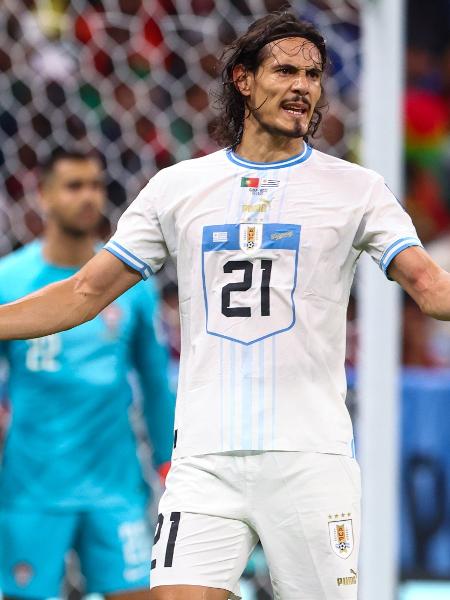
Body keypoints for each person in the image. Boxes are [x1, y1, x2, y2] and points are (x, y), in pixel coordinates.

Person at [1, 11, 450, 600]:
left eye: (313, 74)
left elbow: (428, 285)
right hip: (205, 461)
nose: (302, 86)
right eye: (285, 69)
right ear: (242, 79)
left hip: (308, 460)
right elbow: (85, 291)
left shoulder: (357, 190)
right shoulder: (177, 188)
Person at [0, 150, 174, 600]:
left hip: (114, 487)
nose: (88, 197)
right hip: (32, 486)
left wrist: (167, 459)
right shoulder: (9, 281)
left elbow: (155, 383)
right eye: (74, 186)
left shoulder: (129, 284)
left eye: (96, 185)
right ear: (43, 195)